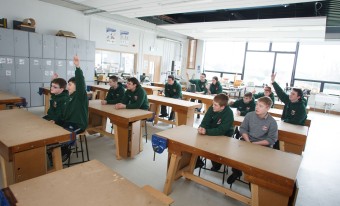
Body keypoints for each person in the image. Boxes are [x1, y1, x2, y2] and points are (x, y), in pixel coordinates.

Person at [227, 96, 278, 184]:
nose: (257, 107)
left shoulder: (272, 122)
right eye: (257, 104)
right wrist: (248, 141)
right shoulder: (249, 115)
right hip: (247, 141)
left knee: (257, 162)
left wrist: (255, 144)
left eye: (260, 106)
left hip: (262, 146)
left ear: (268, 108)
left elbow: (272, 139)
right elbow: (243, 129)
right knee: (235, 154)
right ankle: (236, 172)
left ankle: (254, 180)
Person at [196, 93, 234, 171]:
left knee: (214, 147)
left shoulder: (229, 113)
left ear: (222, 107)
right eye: (213, 104)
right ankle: (197, 161)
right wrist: (201, 127)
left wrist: (206, 131)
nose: (213, 106)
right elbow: (205, 121)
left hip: (224, 135)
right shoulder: (212, 108)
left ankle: (217, 163)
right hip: (211, 131)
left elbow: (221, 130)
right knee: (196, 143)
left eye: (216, 105)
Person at [58, 55, 89, 134]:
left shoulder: (80, 95)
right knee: (52, 127)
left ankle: (65, 146)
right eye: (68, 84)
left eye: (70, 85)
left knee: (64, 135)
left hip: (78, 124)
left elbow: (80, 82)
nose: (68, 87)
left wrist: (78, 67)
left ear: (77, 86)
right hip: (68, 121)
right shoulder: (69, 96)